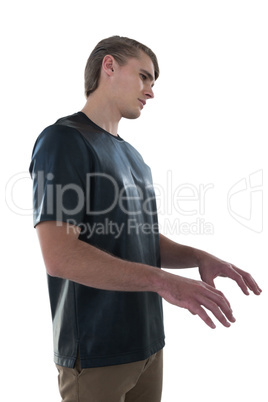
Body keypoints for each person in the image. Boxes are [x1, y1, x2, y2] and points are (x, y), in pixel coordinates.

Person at [29, 36, 262, 402]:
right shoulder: (63, 141)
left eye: (152, 82)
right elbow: (60, 256)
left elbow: (139, 238)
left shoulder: (134, 157)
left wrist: (198, 258)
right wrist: (164, 282)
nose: (150, 91)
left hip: (148, 345)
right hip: (96, 352)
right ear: (109, 66)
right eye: (143, 76)